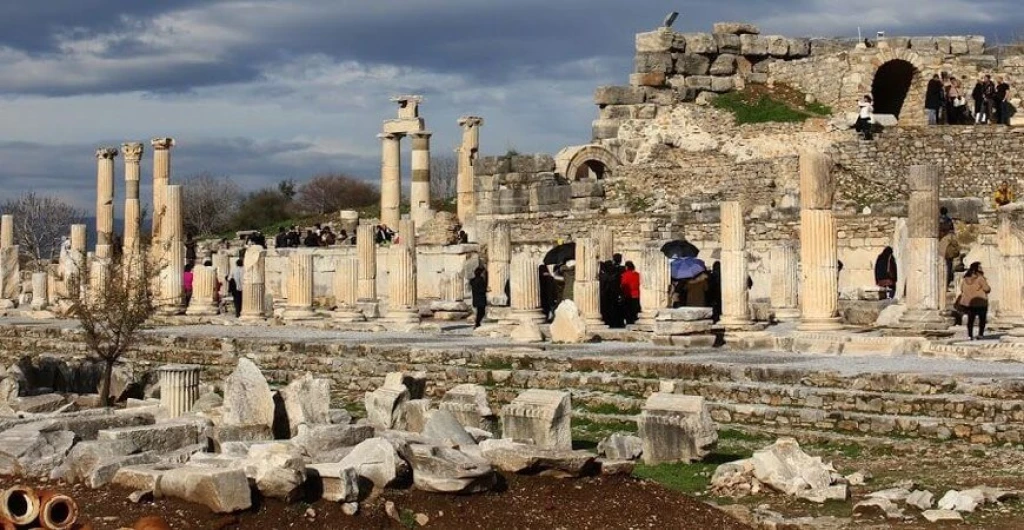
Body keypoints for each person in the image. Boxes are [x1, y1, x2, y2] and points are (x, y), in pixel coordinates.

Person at [959, 262, 991, 340]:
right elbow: (987, 289)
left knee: (970, 320)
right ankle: (980, 334)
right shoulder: (980, 278)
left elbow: (961, 289)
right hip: (981, 303)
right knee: (982, 320)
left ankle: (970, 335)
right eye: (980, 267)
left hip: (970, 303)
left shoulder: (965, 279)